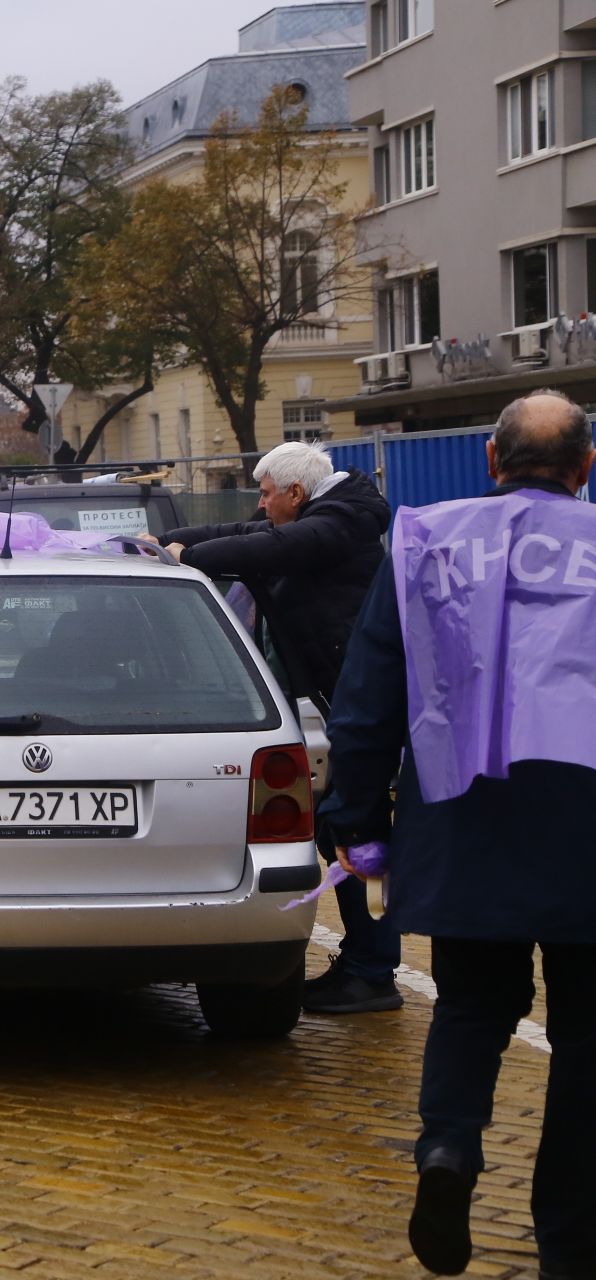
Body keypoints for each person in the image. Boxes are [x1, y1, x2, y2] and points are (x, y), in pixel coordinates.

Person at [318, 390, 596, 1278]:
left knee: (473, 1004)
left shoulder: (425, 539)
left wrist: (357, 818)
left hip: (466, 805)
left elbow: (368, 694)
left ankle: (447, 1152)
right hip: (589, 821)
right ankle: (571, 1242)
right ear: (587, 466)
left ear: (490, 459)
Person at [160, 441, 396, 1016]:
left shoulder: (338, 525)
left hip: (363, 710)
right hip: (345, 704)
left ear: (296, 493)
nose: (262, 506)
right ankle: (366, 964)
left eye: (267, 495)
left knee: (355, 835)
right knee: (342, 834)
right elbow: (245, 528)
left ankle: (372, 972)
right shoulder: (330, 512)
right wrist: (170, 543)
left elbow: (276, 543)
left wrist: (187, 559)